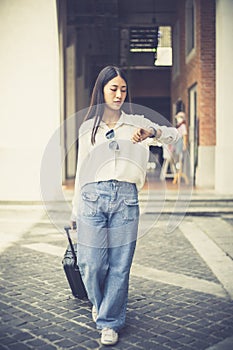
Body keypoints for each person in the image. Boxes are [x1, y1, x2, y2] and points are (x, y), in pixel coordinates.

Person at [71, 65, 179, 346]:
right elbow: (82, 169)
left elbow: (174, 135)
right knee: (90, 263)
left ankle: (109, 321)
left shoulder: (136, 122)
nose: (119, 94)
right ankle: (102, 303)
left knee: (119, 265)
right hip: (91, 196)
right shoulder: (88, 126)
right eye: (113, 88)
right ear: (102, 90)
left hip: (125, 198)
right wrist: (74, 212)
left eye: (123, 89)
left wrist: (151, 132)